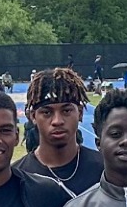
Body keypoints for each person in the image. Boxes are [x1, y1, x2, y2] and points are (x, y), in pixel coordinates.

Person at [15, 67, 102, 197]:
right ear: (33, 116)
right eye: (47, 112)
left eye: (66, 111)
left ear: (80, 113)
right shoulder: (16, 177)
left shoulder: (107, 170)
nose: (57, 121)